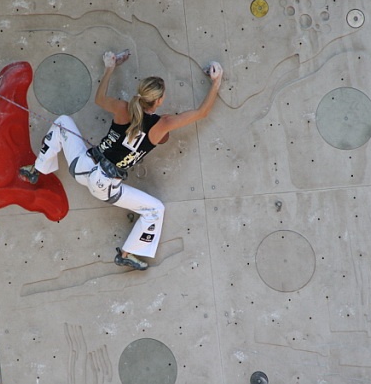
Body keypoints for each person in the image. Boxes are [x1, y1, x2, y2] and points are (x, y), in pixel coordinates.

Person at [20, 51, 223, 270]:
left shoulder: (124, 108)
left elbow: (99, 99)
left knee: (62, 122)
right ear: (159, 101)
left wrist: (110, 67)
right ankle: (126, 254)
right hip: (104, 187)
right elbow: (201, 113)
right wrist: (216, 82)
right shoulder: (162, 125)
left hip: (82, 166)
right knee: (155, 209)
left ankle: (36, 169)